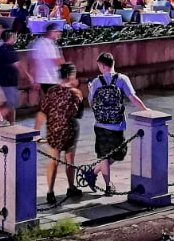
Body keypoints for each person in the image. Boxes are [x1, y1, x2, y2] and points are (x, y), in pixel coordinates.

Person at [88, 53, 148, 195]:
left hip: (100, 124)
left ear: (103, 65)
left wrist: (91, 91)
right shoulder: (122, 79)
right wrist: (145, 110)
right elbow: (132, 98)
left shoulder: (97, 81)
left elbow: (91, 103)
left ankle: (98, 177)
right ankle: (103, 182)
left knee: (104, 156)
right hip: (117, 125)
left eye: (99, 66)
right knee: (119, 154)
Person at [42, 63, 85, 204]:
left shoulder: (50, 91)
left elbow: (44, 109)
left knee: (53, 161)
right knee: (69, 160)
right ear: (69, 76)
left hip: (53, 129)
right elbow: (78, 114)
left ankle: (50, 192)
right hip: (69, 129)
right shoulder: (75, 92)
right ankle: (71, 187)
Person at [31, 23, 65, 140]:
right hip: (50, 79)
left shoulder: (39, 43)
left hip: (43, 79)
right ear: (51, 32)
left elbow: (34, 63)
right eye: (57, 32)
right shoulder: (49, 45)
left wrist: (35, 79)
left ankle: (41, 131)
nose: (58, 34)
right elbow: (56, 60)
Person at [0, 30, 32, 125]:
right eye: (14, 36)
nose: (16, 38)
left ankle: (6, 121)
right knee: (11, 104)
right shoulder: (10, 50)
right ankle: (11, 122)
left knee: (7, 102)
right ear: (10, 37)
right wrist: (28, 76)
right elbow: (17, 65)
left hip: (2, 79)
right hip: (10, 80)